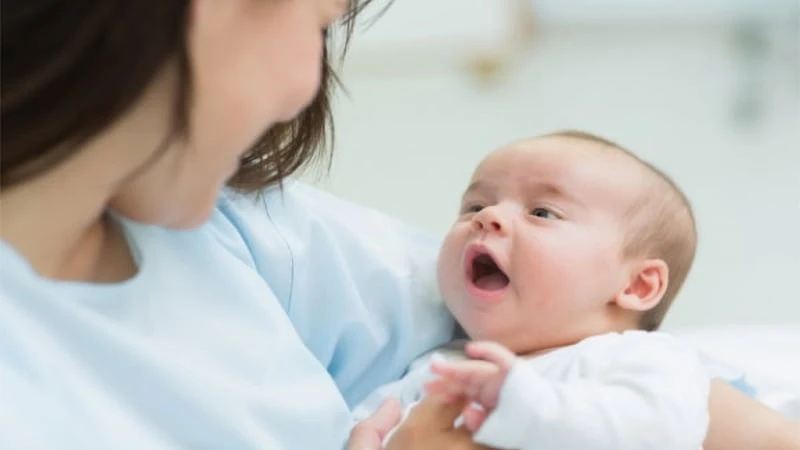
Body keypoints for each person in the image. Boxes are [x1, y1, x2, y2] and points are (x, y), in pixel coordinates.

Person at [1, 1, 798, 450]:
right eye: (320, 24)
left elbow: (695, 402)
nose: (488, 219)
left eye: (542, 210)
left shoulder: (225, 227)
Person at [355, 130, 710, 449]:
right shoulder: (437, 368)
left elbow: (657, 432)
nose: (487, 215)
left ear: (636, 284)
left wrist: (524, 405)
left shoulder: (641, 358)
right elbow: (364, 427)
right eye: (475, 206)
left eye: (543, 212)